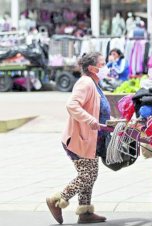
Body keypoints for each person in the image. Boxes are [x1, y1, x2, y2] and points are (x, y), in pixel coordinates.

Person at [46, 52, 110, 224]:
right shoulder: (85, 82)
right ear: (92, 68)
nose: (105, 67)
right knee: (87, 176)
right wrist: (90, 120)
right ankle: (56, 200)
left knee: (90, 174)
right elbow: (72, 104)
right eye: (102, 64)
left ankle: (85, 212)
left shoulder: (95, 83)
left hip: (90, 140)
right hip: (78, 139)